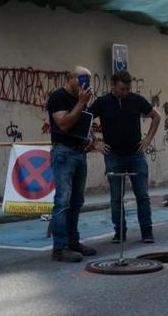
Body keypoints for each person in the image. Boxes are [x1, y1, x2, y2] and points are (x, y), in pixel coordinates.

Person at [89, 70, 161, 244]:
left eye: (128, 89)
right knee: (116, 197)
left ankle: (147, 231)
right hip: (113, 155)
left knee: (142, 195)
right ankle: (119, 231)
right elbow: (85, 120)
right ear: (113, 85)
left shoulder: (136, 100)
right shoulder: (102, 102)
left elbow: (156, 116)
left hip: (136, 154)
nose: (125, 92)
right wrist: (95, 142)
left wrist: (148, 139)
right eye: (121, 89)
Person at [47, 66, 105, 263]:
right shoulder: (58, 97)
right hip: (64, 151)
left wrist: (92, 140)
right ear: (70, 77)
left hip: (79, 152)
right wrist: (81, 102)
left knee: (77, 201)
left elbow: (83, 124)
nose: (85, 82)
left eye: (88, 79)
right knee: (63, 201)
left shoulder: (81, 100)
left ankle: (73, 241)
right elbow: (63, 124)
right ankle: (60, 248)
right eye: (82, 78)